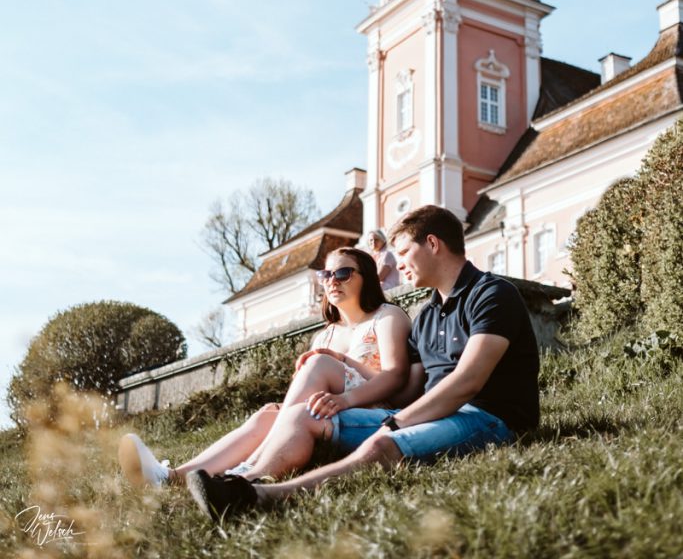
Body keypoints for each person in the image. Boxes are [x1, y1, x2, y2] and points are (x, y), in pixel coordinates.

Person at [186, 205, 540, 528]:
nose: (397, 263)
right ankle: (245, 481)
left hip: (489, 418)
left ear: (432, 243)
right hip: (432, 416)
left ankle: (262, 499)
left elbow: (467, 382)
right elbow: (406, 389)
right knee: (300, 416)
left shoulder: (492, 294)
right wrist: (343, 372)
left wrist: (396, 423)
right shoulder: (428, 315)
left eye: (402, 252)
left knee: (380, 447)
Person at [118, 247, 411, 489]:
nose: (333, 280)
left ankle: (247, 468)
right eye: (326, 274)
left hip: (371, 411)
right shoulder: (324, 335)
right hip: (325, 415)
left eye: (343, 273)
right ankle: (172, 478)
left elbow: (395, 377)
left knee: (319, 361)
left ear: (367, 278)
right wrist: (287, 411)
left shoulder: (387, 316)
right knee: (267, 415)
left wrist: (342, 377)